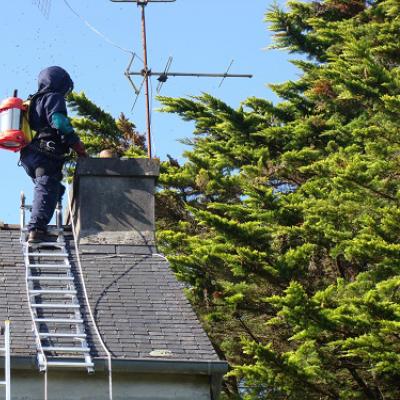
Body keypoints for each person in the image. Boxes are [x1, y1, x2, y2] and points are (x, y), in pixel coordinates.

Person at [20, 66, 88, 243]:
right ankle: (36, 229)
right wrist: (78, 146)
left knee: (53, 188)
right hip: (45, 152)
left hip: (29, 154)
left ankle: (42, 219)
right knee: (47, 185)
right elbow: (59, 122)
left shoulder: (33, 100)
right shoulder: (53, 97)